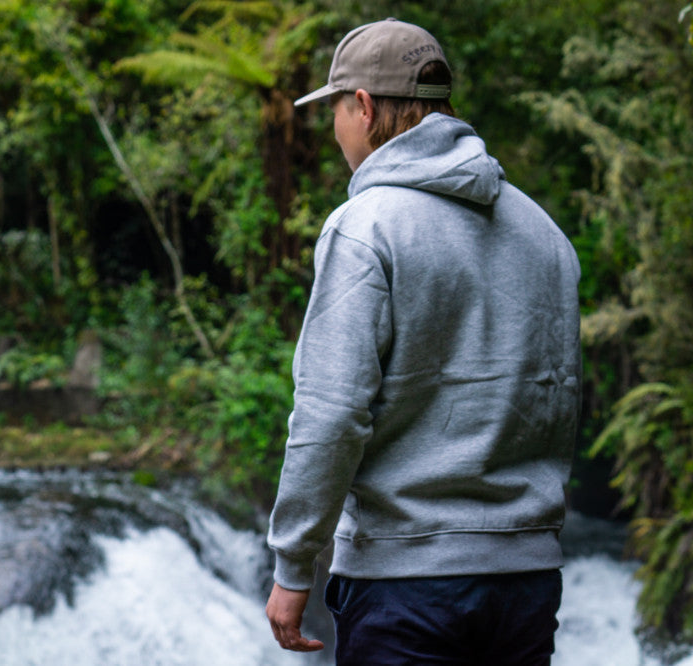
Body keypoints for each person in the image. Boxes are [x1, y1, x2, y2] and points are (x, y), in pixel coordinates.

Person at [264, 18, 581, 666]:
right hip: (526, 584)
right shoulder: (542, 231)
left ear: (363, 106)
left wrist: (294, 567)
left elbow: (331, 415)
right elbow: (558, 401)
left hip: (405, 588)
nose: (336, 133)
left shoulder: (365, 228)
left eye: (336, 113)